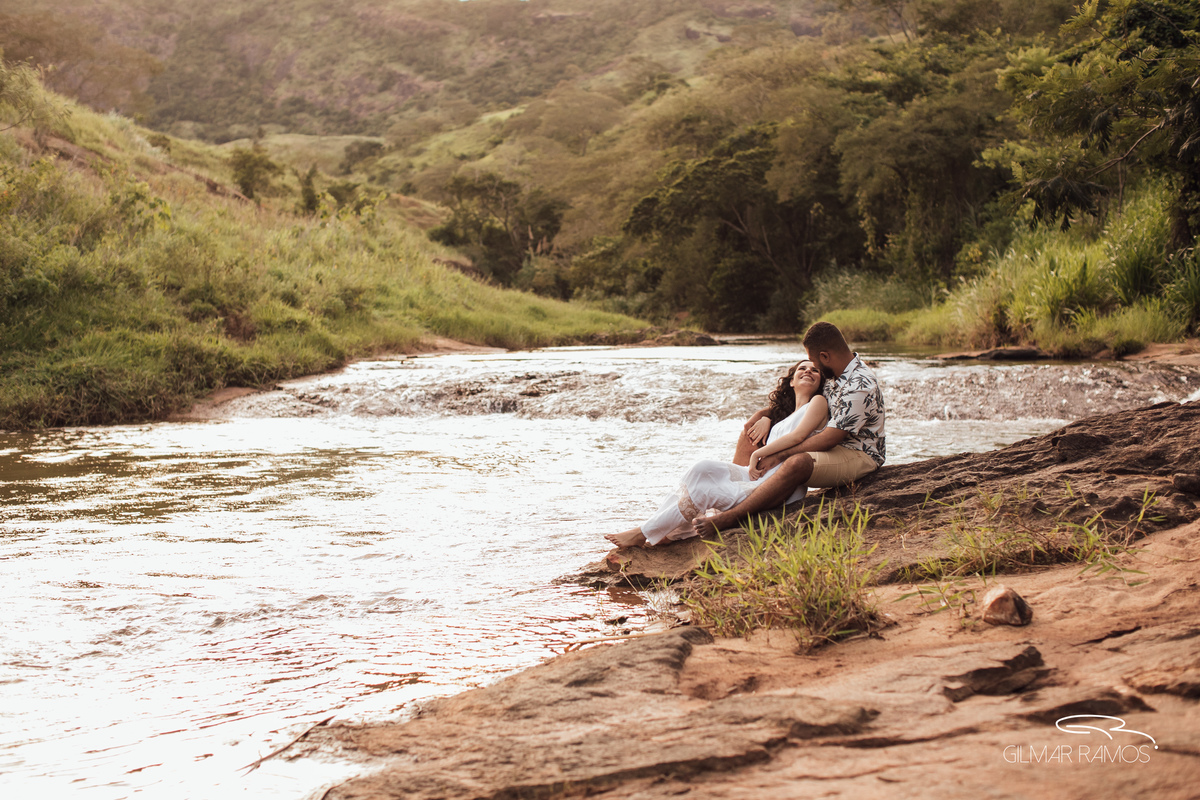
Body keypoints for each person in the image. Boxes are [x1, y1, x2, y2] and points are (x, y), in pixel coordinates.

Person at [689, 320, 885, 538]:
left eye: (813, 361)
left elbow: (830, 439)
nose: (813, 367)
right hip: (832, 445)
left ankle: (731, 517)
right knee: (752, 434)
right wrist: (765, 415)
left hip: (858, 454)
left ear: (825, 356)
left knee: (797, 462)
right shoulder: (835, 375)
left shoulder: (860, 384)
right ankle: (734, 492)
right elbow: (802, 405)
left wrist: (778, 455)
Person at [604, 359, 829, 548]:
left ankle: (643, 533)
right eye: (802, 368)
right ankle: (668, 531)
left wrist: (756, 455)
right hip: (758, 474)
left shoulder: (818, 402)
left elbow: (798, 436)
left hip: (776, 484)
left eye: (815, 370)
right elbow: (782, 421)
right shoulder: (786, 414)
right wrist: (767, 417)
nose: (808, 371)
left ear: (819, 382)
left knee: (703, 491)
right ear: (791, 382)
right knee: (701, 468)